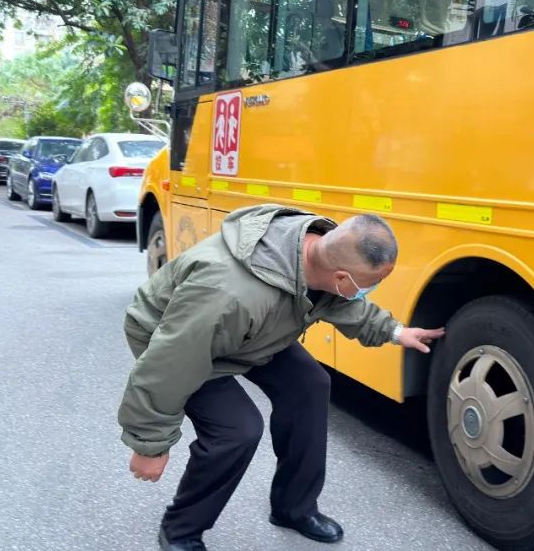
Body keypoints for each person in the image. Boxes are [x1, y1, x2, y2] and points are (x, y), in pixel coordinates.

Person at [117, 204, 445, 551]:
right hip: (175, 337)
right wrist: (149, 443)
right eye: (370, 284)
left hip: (252, 332)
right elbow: (171, 363)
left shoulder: (315, 251)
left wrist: (395, 332)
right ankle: (180, 530)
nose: (372, 289)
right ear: (340, 278)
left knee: (310, 386)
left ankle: (293, 508)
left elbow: (343, 303)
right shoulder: (229, 293)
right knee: (238, 430)